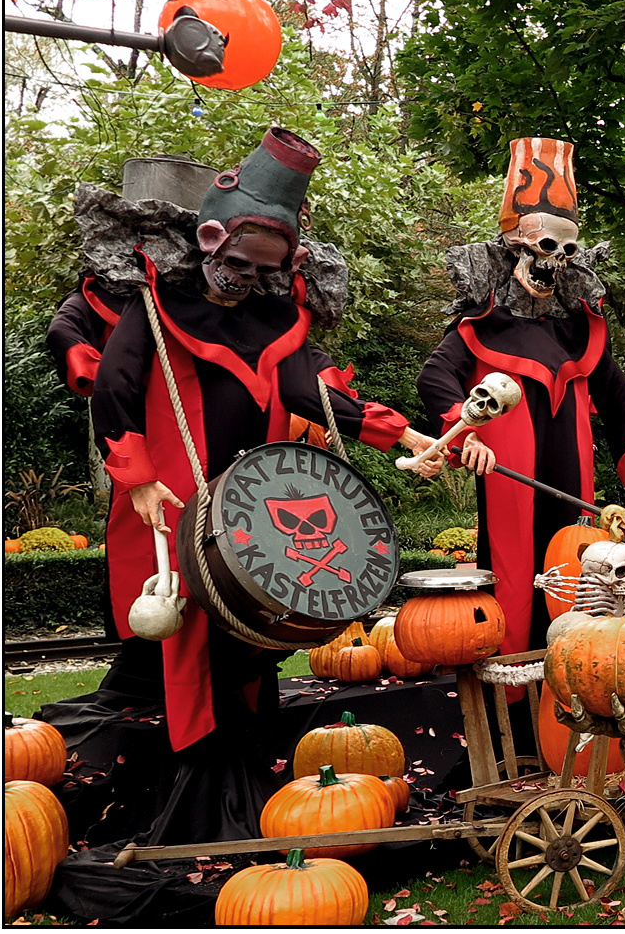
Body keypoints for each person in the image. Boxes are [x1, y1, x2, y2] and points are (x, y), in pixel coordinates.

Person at [87, 128, 443, 841]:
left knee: (250, 634)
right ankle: (197, 786)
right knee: (188, 639)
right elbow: (114, 391)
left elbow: (313, 393)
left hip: (255, 504)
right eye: (237, 263)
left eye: (261, 272)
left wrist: (403, 433)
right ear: (210, 240)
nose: (242, 280)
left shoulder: (274, 323)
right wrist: (139, 481)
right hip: (180, 502)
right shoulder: (154, 306)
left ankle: (245, 771)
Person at [417, 137, 625, 669]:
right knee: (513, 569)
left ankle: (566, 676)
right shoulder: (480, 326)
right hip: (509, 474)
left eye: (565, 249)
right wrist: (469, 437)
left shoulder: (581, 330)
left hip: (571, 478)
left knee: (572, 572)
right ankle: (511, 686)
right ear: (511, 248)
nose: (550, 262)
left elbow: (619, 402)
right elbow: (437, 379)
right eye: (541, 246)